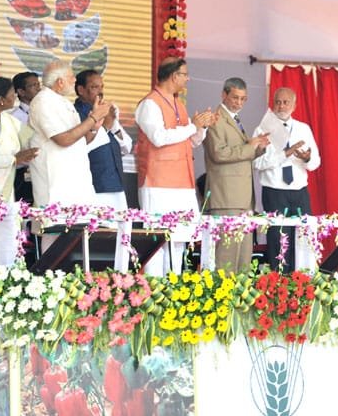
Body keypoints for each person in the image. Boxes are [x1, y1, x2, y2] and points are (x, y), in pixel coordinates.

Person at [135, 57, 216, 276]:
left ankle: (174, 289)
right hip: (158, 183)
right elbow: (159, 138)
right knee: (157, 241)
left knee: (180, 239)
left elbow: (191, 141)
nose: (187, 79)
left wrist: (202, 128)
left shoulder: (178, 103)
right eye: (184, 74)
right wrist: (192, 126)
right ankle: (154, 292)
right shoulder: (150, 103)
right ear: (174, 76)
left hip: (183, 182)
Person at [28, 60, 108, 252]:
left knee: (78, 240)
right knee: (55, 237)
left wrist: (94, 127)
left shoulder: (63, 102)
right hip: (55, 182)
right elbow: (63, 139)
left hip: (75, 181)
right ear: (60, 82)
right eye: (71, 76)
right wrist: (93, 118)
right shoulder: (42, 101)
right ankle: (51, 279)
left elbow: (80, 139)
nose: (74, 80)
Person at [203, 77, 269, 273]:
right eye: (235, 97)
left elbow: (241, 152)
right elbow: (219, 153)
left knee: (244, 258)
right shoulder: (216, 119)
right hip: (226, 197)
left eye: (243, 99)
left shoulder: (235, 119)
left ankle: (239, 302)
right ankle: (222, 301)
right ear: (224, 95)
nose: (239, 102)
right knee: (226, 257)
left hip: (242, 198)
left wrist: (259, 148)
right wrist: (250, 147)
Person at [254, 87, 320, 272]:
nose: (281, 106)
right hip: (275, 191)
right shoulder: (262, 129)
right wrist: (285, 153)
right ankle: (279, 282)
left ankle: (304, 279)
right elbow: (257, 162)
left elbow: (315, 162)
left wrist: (307, 158)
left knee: (304, 237)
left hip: (299, 191)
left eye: (286, 102)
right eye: (278, 102)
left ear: (294, 105)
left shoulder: (303, 128)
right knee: (278, 239)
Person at [0, 77, 39, 265]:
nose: (15, 98)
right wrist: (14, 159)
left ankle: (5, 276)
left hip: (5, 187)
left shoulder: (10, 120)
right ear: (2, 99)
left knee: (7, 236)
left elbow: (34, 138)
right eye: (12, 95)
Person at [74, 69, 132, 211]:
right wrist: (104, 126)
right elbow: (79, 147)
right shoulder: (75, 113)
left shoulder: (106, 111)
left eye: (102, 87)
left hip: (116, 183)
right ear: (81, 90)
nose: (100, 92)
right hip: (95, 184)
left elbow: (126, 147)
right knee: (98, 231)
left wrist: (113, 124)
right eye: (94, 87)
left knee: (121, 231)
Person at [10, 71, 40, 204]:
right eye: (33, 85)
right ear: (21, 92)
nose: (38, 89)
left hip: (42, 171)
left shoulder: (44, 112)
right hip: (22, 174)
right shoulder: (14, 117)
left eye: (39, 84)